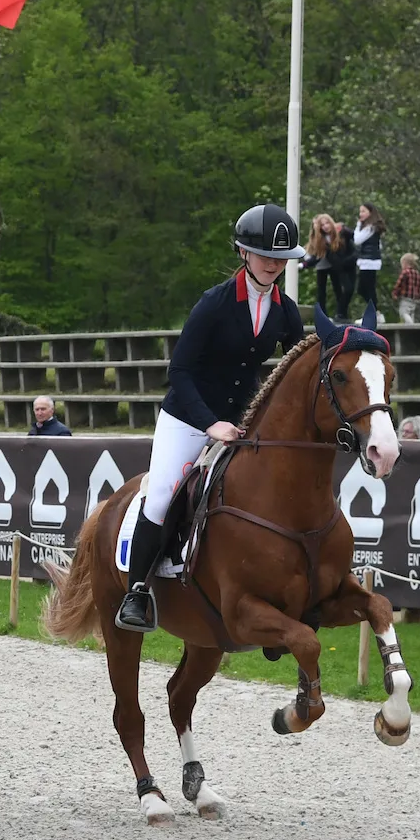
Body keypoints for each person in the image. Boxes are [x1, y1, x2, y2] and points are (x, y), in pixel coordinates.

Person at [116, 203, 307, 633]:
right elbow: (179, 371)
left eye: (281, 258)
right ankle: (136, 592)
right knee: (162, 495)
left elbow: (295, 369)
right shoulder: (214, 303)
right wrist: (209, 424)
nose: (274, 265)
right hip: (188, 417)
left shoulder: (286, 311)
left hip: (240, 421)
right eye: (265, 256)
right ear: (244, 253)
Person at [300, 213, 355, 319]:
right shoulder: (319, 239)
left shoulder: (340, 232)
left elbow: (353, 238)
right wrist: (304, 264)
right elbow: (316, 256)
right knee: (322, 291)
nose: (325, 226)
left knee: (342, 289)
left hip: (339, 265)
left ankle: (342, 314)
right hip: (323, 265)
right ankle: (327, 315)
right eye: (321, 225)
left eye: (326, 223)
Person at [353, 202, 387, 318]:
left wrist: (358, 225)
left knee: (366, 288)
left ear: (370, 213)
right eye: (360, 211)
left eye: (363, 211)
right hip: (367, 260)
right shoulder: (372, 227)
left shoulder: (370, 227)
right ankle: (374, 312)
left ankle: (375, 313)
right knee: (364, 289)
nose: (360, 214)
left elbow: (357, 240)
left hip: (369, 261)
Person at [392, 252, 420, 324]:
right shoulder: (417, 274)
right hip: (414, 300)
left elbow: (399, 284)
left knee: (403, 312)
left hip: (405, 299)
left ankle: (411, 325)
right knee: (410, 313)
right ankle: (410, 327)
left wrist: (395, 293)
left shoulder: (405, 272)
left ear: (405, 263)